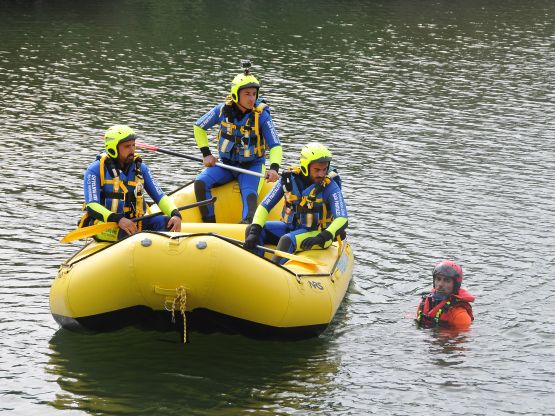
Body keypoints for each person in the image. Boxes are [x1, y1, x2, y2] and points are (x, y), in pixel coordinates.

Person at [193, 61, 282, 224]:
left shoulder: (261, 116)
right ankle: (209, 226)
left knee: (250, 196)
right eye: (247, 94)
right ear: (235, 94)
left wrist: (274, 168)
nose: (251, 98)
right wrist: (206, 154)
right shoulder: (221, 110)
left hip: (252, 166)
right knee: (200, 183)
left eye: (254, 94)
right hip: (226, 164)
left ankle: (246, 229)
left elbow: (275, 145)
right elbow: (199, 127)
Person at [244, 142, 348, 264]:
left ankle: (272, 274)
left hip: (318, 234)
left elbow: (342, 218)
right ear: (305, 167)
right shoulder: (288, 179)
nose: (321, 174)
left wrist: (325, 235)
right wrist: (254, 230)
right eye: (317, 170)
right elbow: (264, 206)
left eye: (324, 169)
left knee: (286, 240)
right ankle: (253, 266)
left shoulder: (330, 186)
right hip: (291, 227)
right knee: (252, 229)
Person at [79, 125, 182, 242]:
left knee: (166, 223)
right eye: (127, 146)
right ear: (113, 148)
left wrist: (175, 214)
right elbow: (92, 206)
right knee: (126, 234)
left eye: (133, 145)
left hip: (134, 221)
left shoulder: (141, 168)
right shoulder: (95, 170)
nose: (132, 150)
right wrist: (118, 220)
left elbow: (159, 196)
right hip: (104, 224)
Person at [415, 260, 475, 329]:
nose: (440, 284)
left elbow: (463, 337)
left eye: (447, 280)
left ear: (455, 285)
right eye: (438, 279)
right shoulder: (423, 303)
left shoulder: (460, 315)